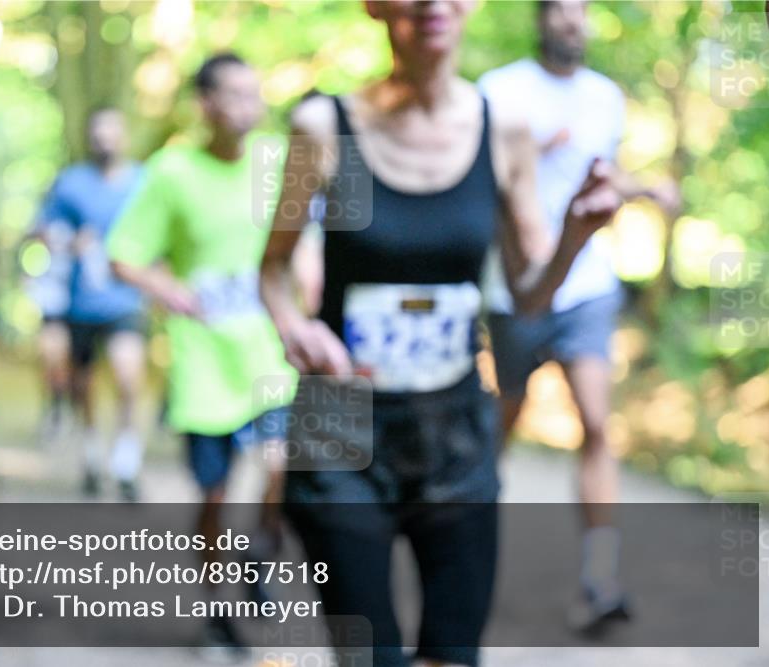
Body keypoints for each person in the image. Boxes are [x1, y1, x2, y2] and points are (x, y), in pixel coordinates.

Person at [258, 1, 622, 665]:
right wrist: (294, 327)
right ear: (375, 6)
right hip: (342, 424)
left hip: (454, 428)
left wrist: (575, 233)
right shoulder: (324, 127)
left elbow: (531, 293)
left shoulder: (503, 128)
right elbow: (274, 269)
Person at [477, 0, 679, 631]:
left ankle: (600, 581)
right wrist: (526, 149)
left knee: (596, 422)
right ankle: (464, 558)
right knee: (498, 431)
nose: (573, 21)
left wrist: (640, 187)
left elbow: (602, 172)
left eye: (582, 11)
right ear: (540, 19)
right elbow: (470, 175)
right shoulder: (500, 91)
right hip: (516, 291)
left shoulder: (605, 97)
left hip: (587, 284)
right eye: (562, 10)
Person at [109, 53, 296, 657]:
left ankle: (260, 551)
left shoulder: (275, 160)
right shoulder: (170, 172)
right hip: (204, 360)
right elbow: (126, 254)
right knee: (214, 495)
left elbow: (305, 235)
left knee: (281, 468)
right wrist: (174, 293)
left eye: (255, 94)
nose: (249, 107)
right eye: (234, 96)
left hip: (268, 350)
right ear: (206, 105)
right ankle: (217, 613)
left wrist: (306, 295)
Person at [41, 106, 148, 500]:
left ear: (124, 134)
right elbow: (41, 231)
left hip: (126, 298)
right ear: (89, 137)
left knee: (127, 375)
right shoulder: (70, 183)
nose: (105, 138)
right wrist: (69, 242)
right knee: (83, 385)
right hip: (80, 302)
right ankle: (90, 452)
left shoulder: (143, 181)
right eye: (97, 131)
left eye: (111, 130)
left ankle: (127, 455)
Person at [24, 204, 75, 443]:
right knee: (51, 358)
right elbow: (28, 238)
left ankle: (64, 408)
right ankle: (54, 409)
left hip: (80, 306)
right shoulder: (47, 216)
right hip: (52, 306)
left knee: (71, 365)